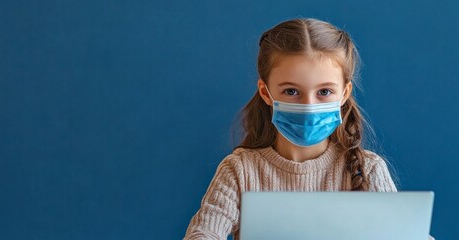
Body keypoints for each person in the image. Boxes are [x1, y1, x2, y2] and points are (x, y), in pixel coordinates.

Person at [182, 18, 435, 240]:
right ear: (266, 93)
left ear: (344, 93)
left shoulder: (368, 170)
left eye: (324, 92)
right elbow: (203, 233)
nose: (309, 105)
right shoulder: (240, 171)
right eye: (291, 91)